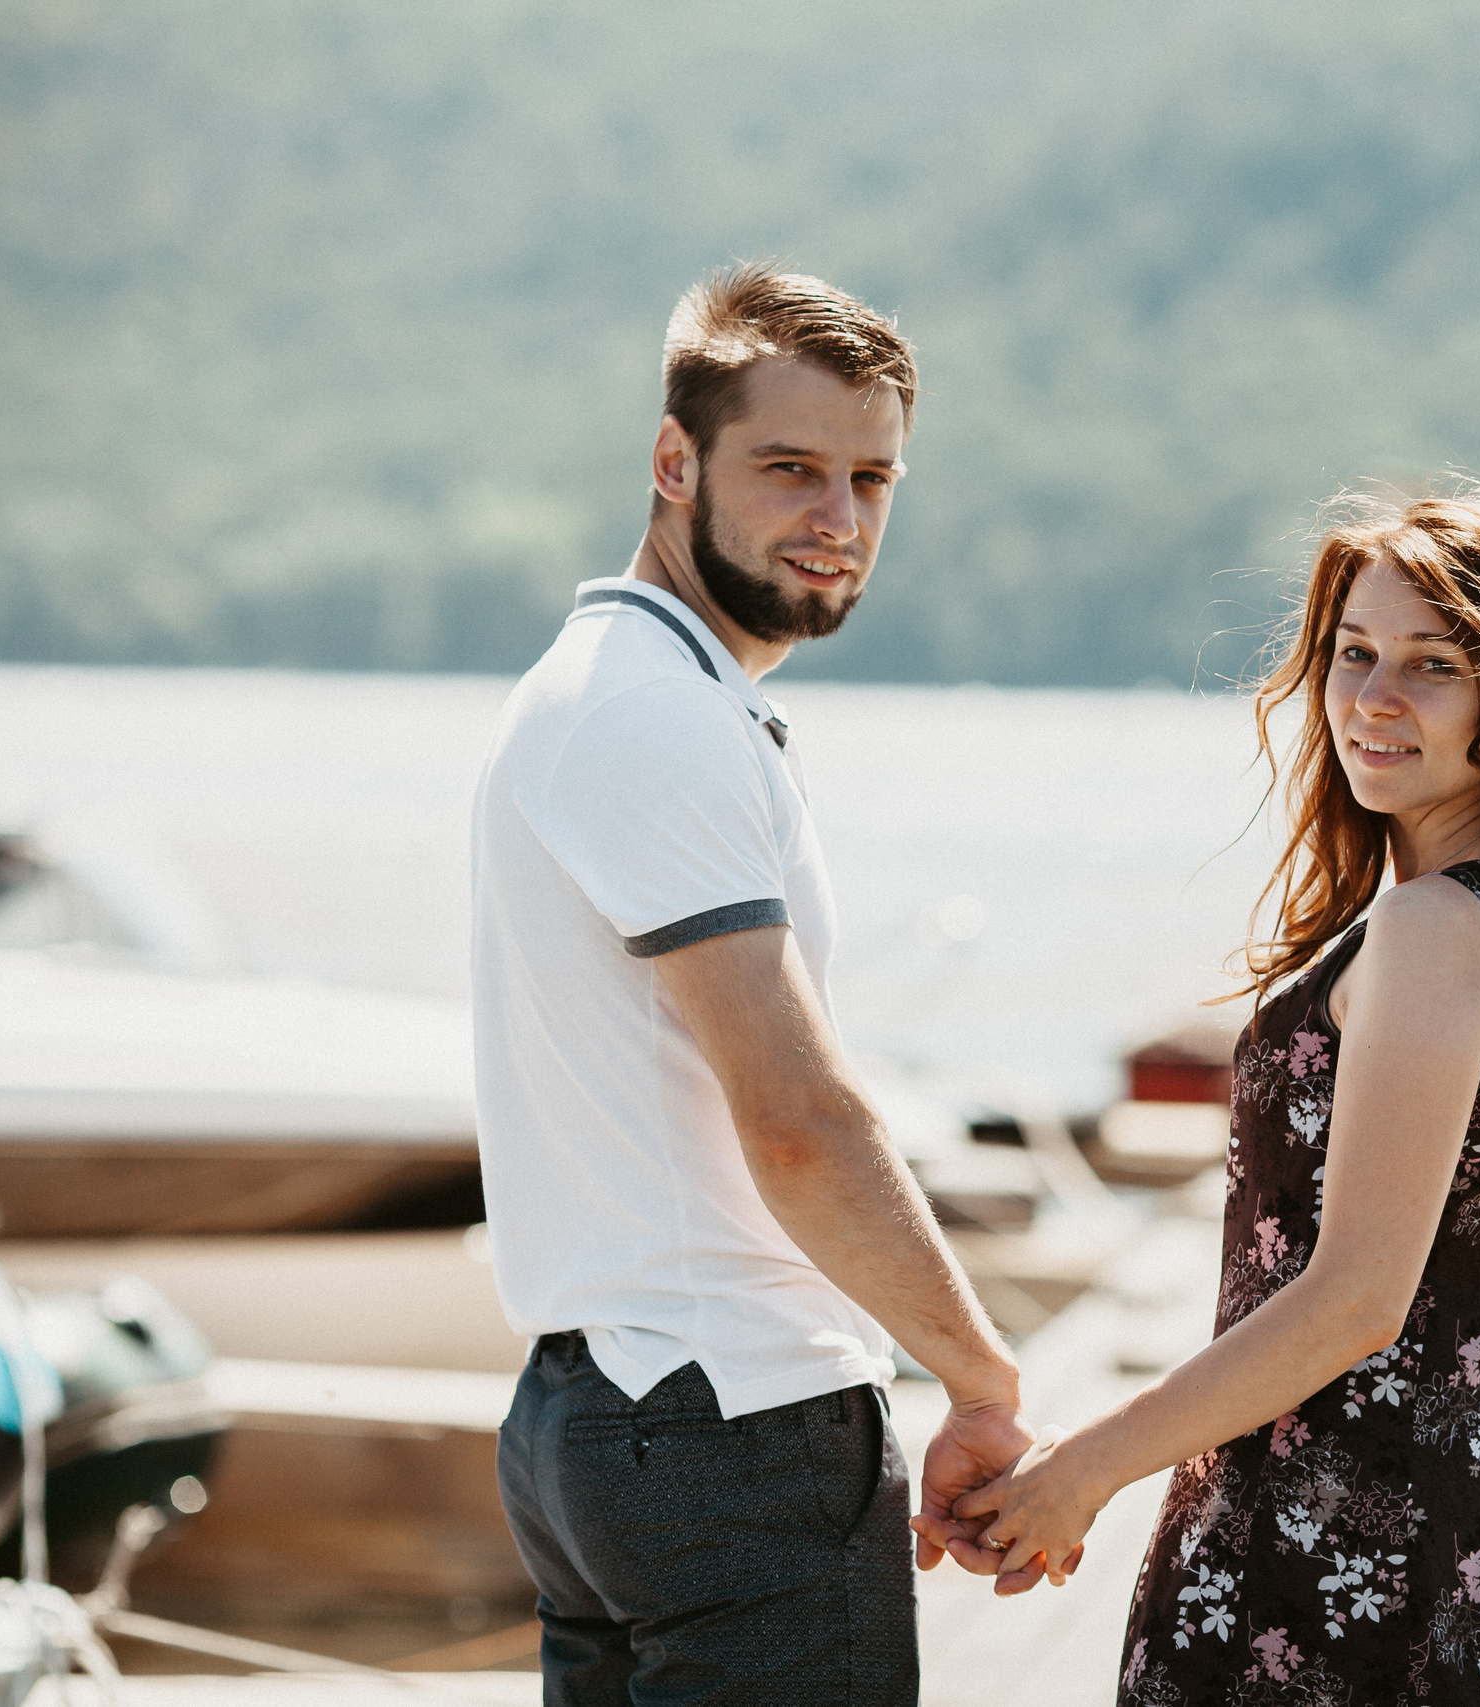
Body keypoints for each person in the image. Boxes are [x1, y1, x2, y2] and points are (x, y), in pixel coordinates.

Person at [918, 486, 1480, 1704]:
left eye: (1431, 664)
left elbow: (1352, 1302)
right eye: (1353, 654)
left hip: (1314, 1571)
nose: (1373, 697)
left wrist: (1082, 1471)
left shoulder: (1433, 929)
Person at [471, 264, 1045, 1706]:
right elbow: (796, 1115)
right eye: (790, 468)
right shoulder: (655, 714)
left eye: (871, 478)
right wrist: (980, 1377)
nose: (838, 521)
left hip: (596, 1412)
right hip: (732, 1422)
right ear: (675, 462)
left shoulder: (609, 686)